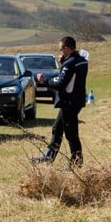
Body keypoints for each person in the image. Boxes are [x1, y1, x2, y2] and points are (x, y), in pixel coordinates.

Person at [31, 36, 88, 168]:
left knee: (71, 134)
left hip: (68, 102)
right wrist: (62, 64)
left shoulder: (70, 63)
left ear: (67, 48)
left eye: (61, 49)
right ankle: (48, 158)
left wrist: (44, 80)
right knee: (57, 129)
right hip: (76, 100)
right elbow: (70, 79)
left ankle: (76, 164)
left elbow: (61, 83)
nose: (60, 52)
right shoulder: (82, 61)